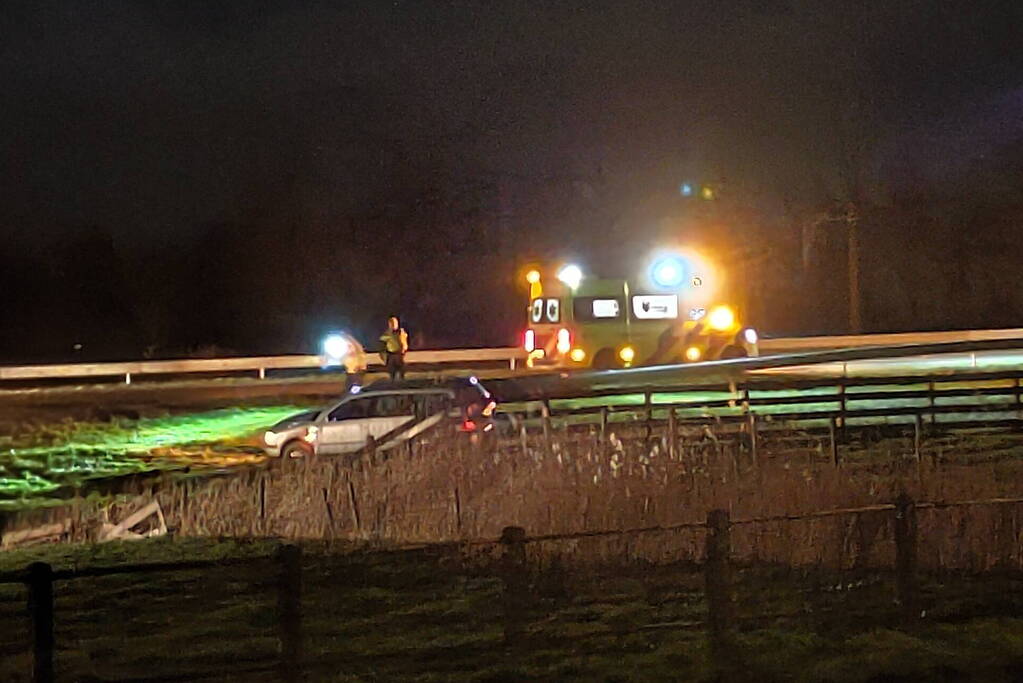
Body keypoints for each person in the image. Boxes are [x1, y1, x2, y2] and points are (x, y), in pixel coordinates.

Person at [379, 316, 409, 381]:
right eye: (392, 323)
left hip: (399, 353)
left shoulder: (401, 332)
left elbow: (404, 341)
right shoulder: (387, 334)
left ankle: (402, 380)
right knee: (392, 370)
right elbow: (382, 342)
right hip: (391, 354)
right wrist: (383, 354)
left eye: (395, 323)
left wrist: (404, 349)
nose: (394, 325)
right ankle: (392, 380)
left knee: (401, 369)